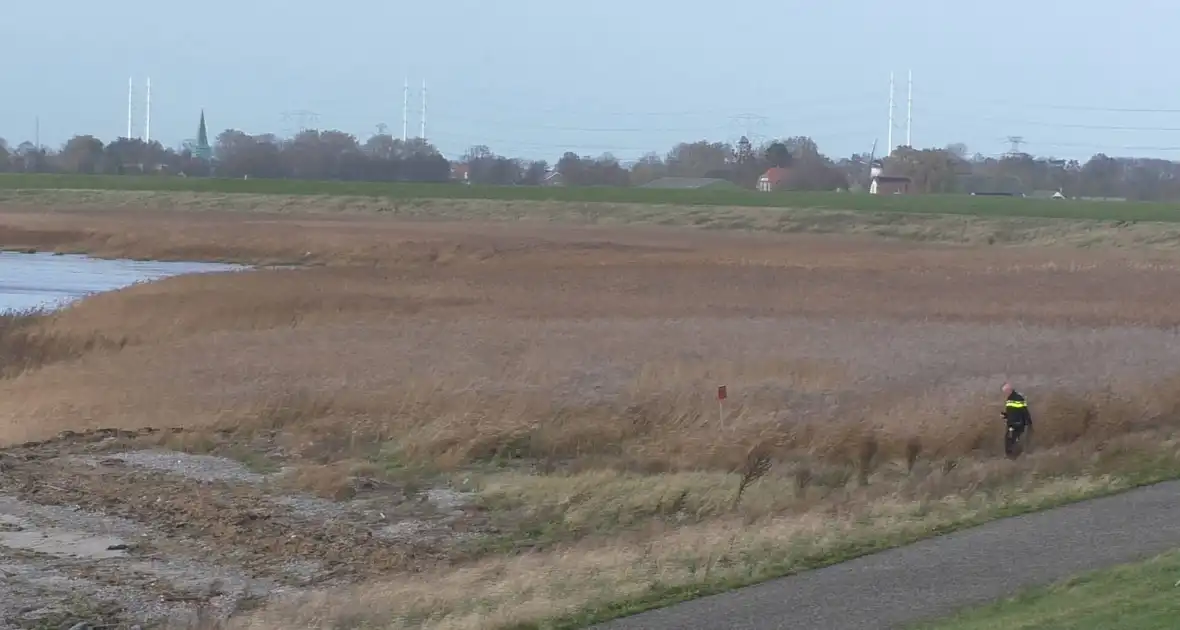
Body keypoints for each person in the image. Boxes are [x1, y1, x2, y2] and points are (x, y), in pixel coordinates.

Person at [1001, 382, 1032, 457]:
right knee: (1009, 440)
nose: (1005, 394)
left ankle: (1014, 456)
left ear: (1009, 390)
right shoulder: (1009, 399)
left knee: (1013, 440)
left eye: (1005, 392)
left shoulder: (1018, 398)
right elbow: (1012, 413)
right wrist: (1005, 415)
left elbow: (1024, 411)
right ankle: (1011, 456)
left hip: (1018, 423)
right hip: (1011, 423)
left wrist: (1028, 422)